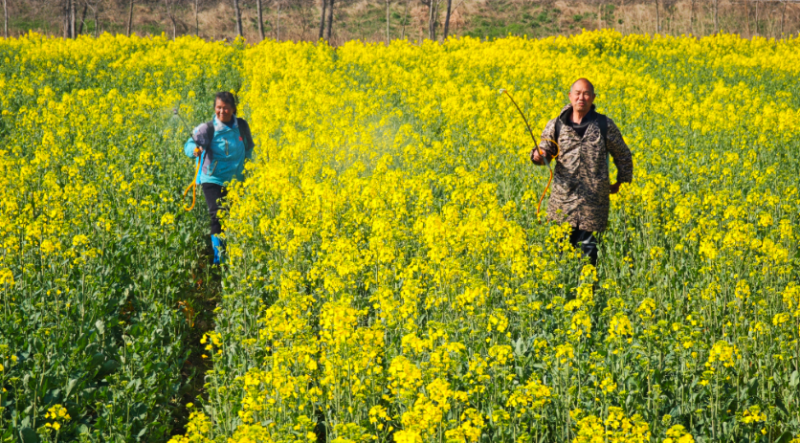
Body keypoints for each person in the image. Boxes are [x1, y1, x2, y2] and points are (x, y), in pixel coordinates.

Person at [531, 78, 633, 266]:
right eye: (577, 93)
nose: (581, 98)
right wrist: (538, 156)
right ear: (570, 96)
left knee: (589, 255)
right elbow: (546, 151)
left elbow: (623, 154)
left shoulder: (604, 124)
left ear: (593, 98)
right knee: (560, 256)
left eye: (586, 94)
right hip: (562, 203)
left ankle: (590, 292)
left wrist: (622, 182)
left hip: (593, 205)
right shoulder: (556, 125)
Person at [184, 91, 255, 265]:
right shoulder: (208, 128)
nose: (221, 112)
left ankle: (235, 255)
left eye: (225, 108)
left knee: (234, 217)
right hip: (212, 178)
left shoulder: (242, 126)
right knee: (217, 215)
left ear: (233, 109)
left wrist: (250, 171)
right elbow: (190, 144)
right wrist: (195, 150)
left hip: (236, 179)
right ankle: (219, 259)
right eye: (218, 108)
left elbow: (248, 149)